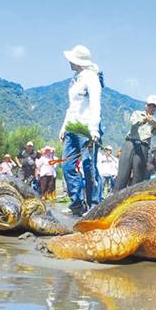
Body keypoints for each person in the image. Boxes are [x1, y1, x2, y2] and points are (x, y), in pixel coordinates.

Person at [60, 45, 103, 216]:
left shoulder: (91, 78)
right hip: (72, 127)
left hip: (86, 128)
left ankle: (94, 206)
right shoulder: (75, 79)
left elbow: (95, 105)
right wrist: (64, 127)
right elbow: (72, 107)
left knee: (88, 166)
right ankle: (76, 203)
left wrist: (94, 129)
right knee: (67, 166)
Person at [115, 95, 156, 190]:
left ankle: (133, 199)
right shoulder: (137, 114)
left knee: (138, 177)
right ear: (146, 105)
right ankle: (116, 196)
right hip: (130, 143)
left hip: (143, 146)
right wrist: (144, 120)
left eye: (154, 106)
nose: (151, 108)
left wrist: (155, 124)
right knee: (122, 175)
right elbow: (133, 124)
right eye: (150, 105)